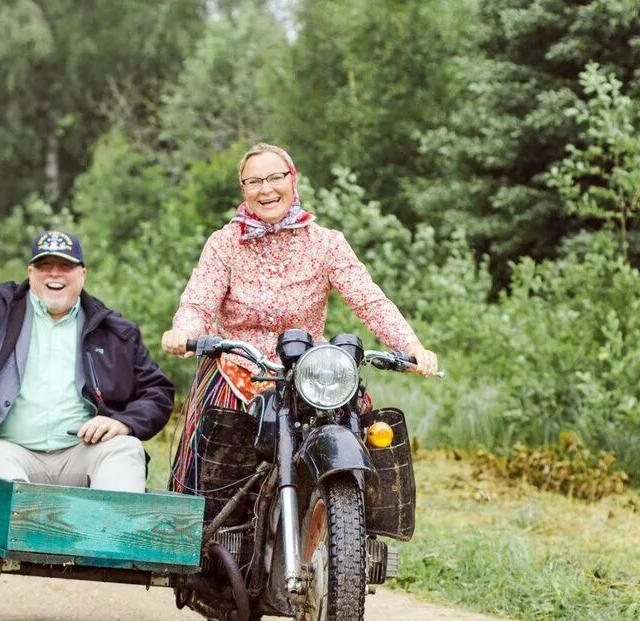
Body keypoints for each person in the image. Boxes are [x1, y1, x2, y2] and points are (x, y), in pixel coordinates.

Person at [161, 142, 439, 492]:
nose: (266, 189)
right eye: (254, 182)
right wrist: (183, 331)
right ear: (243, 190)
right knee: (215, 447)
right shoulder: (224, 243)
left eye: (275, 177)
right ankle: (202, 529)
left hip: (308, 369)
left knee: (362, 426)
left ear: (293, 180)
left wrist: (411, 346)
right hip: (239, 366)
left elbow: (369, 300)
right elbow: (199, 301)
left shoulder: (326, 243)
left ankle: (356, 529)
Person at [0, 228, 174, 493]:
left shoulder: (114, 331)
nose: (54, 273)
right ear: (30, 273)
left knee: (126, 448)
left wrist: (124, 422)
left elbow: (158, 392)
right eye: (44, 265)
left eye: (65, 265)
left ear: (82, 274)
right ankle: (28, 533)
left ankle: (107, 535)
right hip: (10, 452)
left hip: (82, 453)